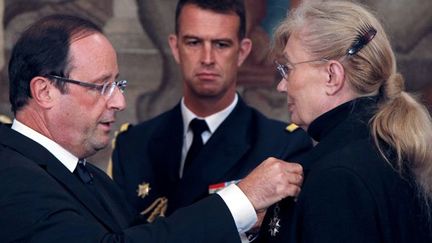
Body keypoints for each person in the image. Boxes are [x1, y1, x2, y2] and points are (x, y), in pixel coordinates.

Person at [0, 14, 305, 242]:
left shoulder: (88, 175)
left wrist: (245, 222)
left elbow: (150, 236)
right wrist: (241, 199)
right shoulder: (10, 175)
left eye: (117, 84)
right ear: (44, 91)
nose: (119, 101)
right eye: (102, 86)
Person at [111, 0, 311, 224]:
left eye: (221, 44)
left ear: (243, 51)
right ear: (176, 48)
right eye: (194, 42)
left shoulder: (281, 146)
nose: (207, 59)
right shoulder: (132, 145)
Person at [255, 1, 432, 242]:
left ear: (332, 76)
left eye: (288, 69)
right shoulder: (392, 148)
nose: (281, 85)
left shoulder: (337, 177)